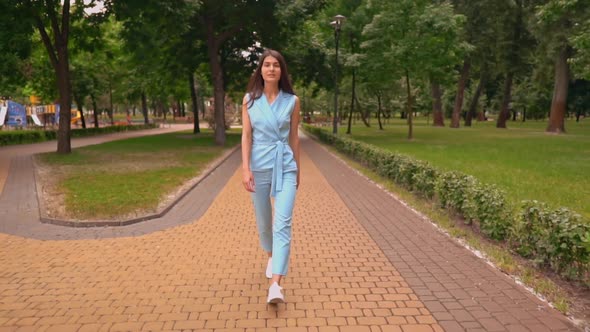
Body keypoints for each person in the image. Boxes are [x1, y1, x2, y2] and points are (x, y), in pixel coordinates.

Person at [241, 49, 300, 304]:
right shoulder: (249, 100)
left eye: (276, 65)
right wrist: (246, 169)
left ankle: (276, 284)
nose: (272, 69)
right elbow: (246, 136)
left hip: (285, 165)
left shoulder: (292, 101)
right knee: (264, 221)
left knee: (282, 223)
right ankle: (270, 255)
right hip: (259, 166)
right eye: (267, 64)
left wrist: (298, 169)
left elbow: (294, 136)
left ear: (281, 71)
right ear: (261, 70)